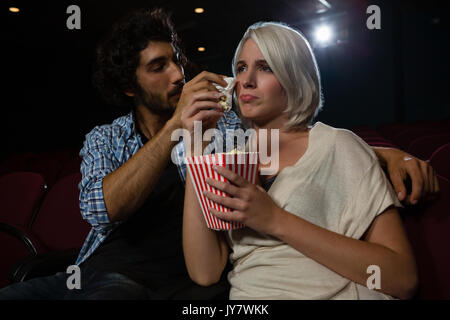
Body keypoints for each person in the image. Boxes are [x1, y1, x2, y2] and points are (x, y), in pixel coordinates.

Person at [0, 9, 437, 300]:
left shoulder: (228, 129)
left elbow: (299, 132)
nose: (179, 74)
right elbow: (100, 209)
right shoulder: (112, 138)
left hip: (154, 284)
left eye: (177, 60)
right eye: (158, 67)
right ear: (129, 88)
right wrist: (180, 135)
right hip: (92, 267)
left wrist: (383, 153)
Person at [182, 22, 439, 300]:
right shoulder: (231, 159)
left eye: (265, 67)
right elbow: (204, 272)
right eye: (241, 68)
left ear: (295, 77)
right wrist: (195, 148)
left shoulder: (338, 145)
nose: (246, 80)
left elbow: (401, 277)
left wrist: (274, 219)